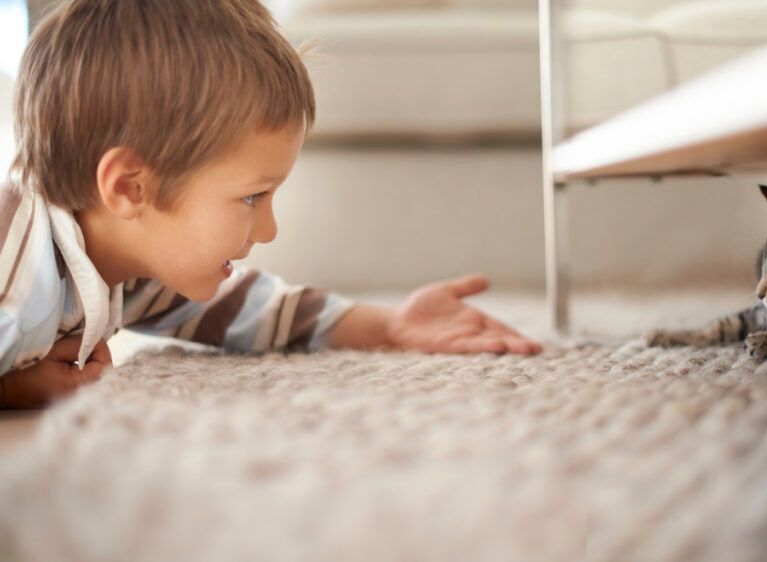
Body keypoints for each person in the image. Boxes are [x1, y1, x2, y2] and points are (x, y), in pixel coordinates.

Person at [0, 0, 541, 409]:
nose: (269, 229)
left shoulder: (131, 265)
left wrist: (387, 325)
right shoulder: (13, 252)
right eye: (253, 196)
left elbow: (247, 310)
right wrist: (13, 389)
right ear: (129, 188)